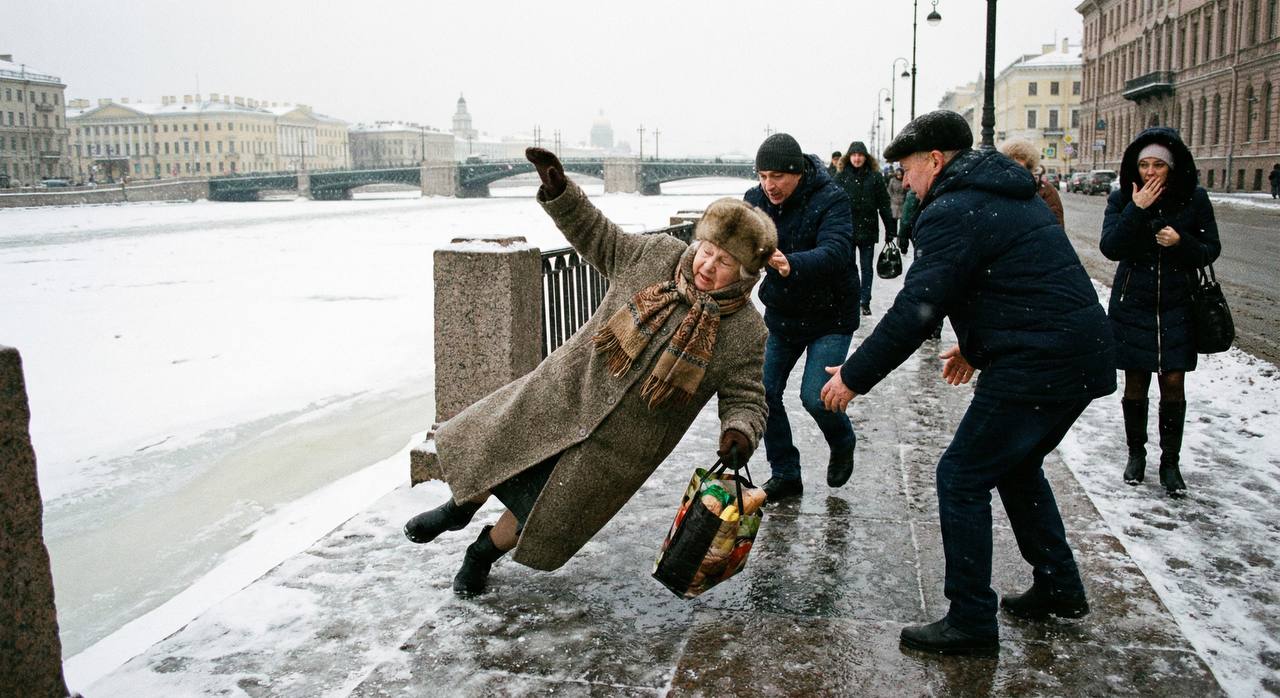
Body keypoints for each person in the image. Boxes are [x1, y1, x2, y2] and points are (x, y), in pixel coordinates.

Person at [403, 148, 774, 595]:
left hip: (621, 444)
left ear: (745, 273)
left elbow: (747, 396)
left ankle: (480, 554)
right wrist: (561, 192)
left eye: (724, 262)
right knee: (502, 450)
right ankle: (456, 509)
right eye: (707, 252)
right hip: (567, 390)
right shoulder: (655, 256)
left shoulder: (745, 330)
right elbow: (597, 235)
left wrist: (739, 430)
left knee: (539, 509)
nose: (708, 267)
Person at [819, 111, 1116, 654]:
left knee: (960, 475)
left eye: (908, 168)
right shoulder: (1004, 194)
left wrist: (856, 377)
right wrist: (976, 350)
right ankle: (1059, 585)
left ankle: (972, 620)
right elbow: (1013, 283)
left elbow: (918, 307)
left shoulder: (953, 209)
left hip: (1040, 363)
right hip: (1078, 355)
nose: (904, 181)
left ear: (935, 160)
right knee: (1017, 466)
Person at [1101, 127, 1221, 498]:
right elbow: (1111, 248)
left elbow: (1210, 250)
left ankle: (1170, 463)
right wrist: (1135, 211)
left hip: (1177, 305)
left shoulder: (1194, 198)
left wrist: (1181, 242)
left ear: (1172, 168)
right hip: (1132, 303)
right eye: (1144, 165)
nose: (1150, 172)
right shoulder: (1122, 198)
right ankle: (1136, 455)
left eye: (1158, 165)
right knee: (1135, 381)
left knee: (1173, 382)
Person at [744, 132, 858, 503]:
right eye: (763, 175)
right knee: (763, 394)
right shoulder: (755, 200)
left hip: (831, 316)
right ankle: (786, 473)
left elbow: (837, 251)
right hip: (783, 314)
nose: (769, 185)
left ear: (797, 172)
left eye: (777, 176)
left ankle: (842, 440)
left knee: (815, 396)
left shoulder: (832, 199)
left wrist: (790, 263)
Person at [834, 141, 895, 316]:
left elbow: (884, 204)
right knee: (849, 267)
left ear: (865, 157)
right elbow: (833, 204)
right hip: (848, 229)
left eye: (860, 155)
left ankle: (865, 300)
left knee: (866, 267)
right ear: (849, 157)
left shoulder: (875, 177)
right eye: (854, 155)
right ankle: (852, 298)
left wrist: (890, 230)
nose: (857, 158)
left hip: (868, 229)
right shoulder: (841, 177)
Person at [998, 138, 1064, 225]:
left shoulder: (1046, 190)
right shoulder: (998, 185)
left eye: (1019, 157)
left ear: (1029, 162)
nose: (1015, 161)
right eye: (1010, 158)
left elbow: (1056, 223)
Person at [887, 167, 907, 233]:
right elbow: (889, 190)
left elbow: (907, 190)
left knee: (903, 220)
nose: (899, 176)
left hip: (903, 201)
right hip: (894, 201)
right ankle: (893, 232)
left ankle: (902, 233)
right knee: (893, 218)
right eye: (897, 174)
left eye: (900, 174)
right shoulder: (892, 180)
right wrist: (891, 197)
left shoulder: (905, 180)